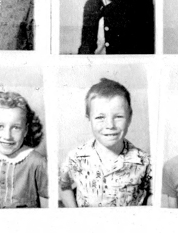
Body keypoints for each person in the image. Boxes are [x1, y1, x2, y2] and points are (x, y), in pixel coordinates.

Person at [59, 78, 151, 207]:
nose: (110, 125)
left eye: (118, 117)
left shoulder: (144, 161)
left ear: (129, 117)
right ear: (89, 119)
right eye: (100, 117)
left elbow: (154, 193)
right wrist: (74, 213)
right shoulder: (75, 158)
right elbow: (63, 185)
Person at [0, 90, 47, 208]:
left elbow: (46, 202)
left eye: (15, 127)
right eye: (0, 126)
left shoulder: (37, 162)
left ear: (25, 131)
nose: (7, 136)